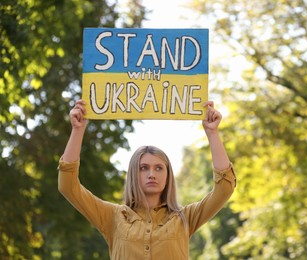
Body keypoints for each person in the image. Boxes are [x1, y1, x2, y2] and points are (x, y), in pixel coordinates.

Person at [58, 99, 236, 259]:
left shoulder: (185, 218)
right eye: (144, 168)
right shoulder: (112, 216)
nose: (152, 174)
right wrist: (78, 130)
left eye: (159, 168)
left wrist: (212, 134)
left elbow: (224, 188)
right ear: (134, 174)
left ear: (168, 175)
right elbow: (68, 186)